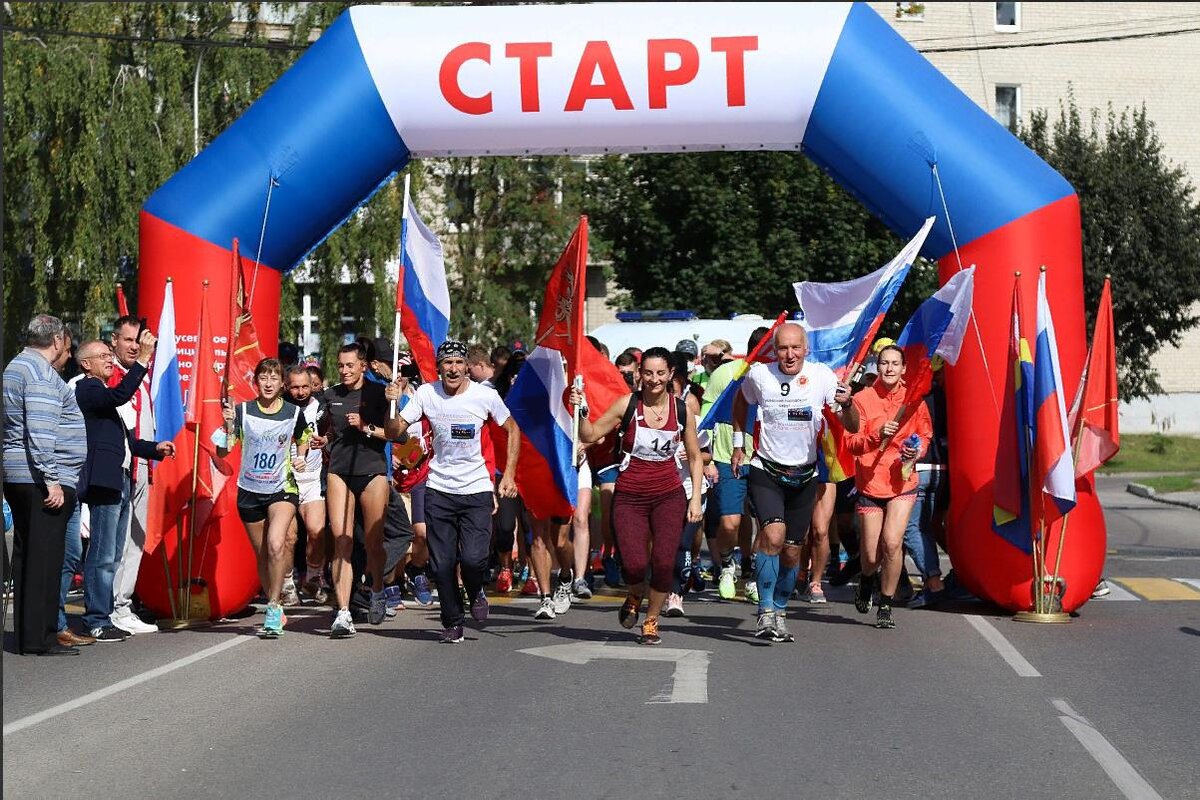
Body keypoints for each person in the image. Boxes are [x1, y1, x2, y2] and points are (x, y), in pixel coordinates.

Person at [731, 323, 858, 642]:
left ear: (806, 349)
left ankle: (780, 610)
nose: (789, 355)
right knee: (772, 536)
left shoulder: (822, 376)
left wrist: (848, 404)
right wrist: (737, 443)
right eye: (783, 348)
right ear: (775, 350)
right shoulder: (760, 375)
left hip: (804, 474)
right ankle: (765, 611)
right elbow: (740, 401)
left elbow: (852, 425)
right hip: (766, 469)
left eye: (795, 348)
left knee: (791, 552)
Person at [388, 339, 521, 643]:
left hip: (476, 489)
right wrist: (391, 404)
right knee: (442, 563)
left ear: (467, 368)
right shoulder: (427, 394)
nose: (453, 369)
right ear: (439, 367)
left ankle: (475, 590)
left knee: (473, 559)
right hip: (439, 488)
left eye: (459, 363)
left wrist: (509, 475)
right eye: (447, 363)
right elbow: (395, 432)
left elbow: (512, 428)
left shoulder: (484, 396)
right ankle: (452, 621)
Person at [573, 347, 705, 646]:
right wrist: (581, 411)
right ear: (639, 375)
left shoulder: (682, 410)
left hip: (669, 496)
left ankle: (651, 620)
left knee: (663, 563)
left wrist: (695, 498)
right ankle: (634, 593)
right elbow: (590, 434)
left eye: (660, 373)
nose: (654, 379)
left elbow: (696, 457)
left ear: (671, 374)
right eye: (648, 373)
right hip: (630, 497)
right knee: (634, 564)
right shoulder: (628, 404)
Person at [75, 336, 175, 642]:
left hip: (119, 478)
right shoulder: (88, 388)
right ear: (85, 364)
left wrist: (154, 448)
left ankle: (105, 614)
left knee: (115, 552)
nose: (109, 360)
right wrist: (143, 360)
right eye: (102, 356)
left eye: (110, 355)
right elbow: (119, 396)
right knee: (103, 553)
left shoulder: (104, 394)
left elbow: (128, 442)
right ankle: (96, 619)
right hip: (104, 481)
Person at [3, 315, 87, 655]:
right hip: (40, 479)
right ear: (56, 341)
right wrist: (51, 480)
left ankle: (29, 636)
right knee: (45, 560)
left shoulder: (15, 366)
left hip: (20, 474)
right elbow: (40, 429)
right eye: (65, 340)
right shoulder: (40, 373)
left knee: (29, 557)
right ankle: (42, 638)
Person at [215, 358, 312, 637]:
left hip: (282, 488)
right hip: (249, 490)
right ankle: (275, 599)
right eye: (263, 378)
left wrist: (301, 457)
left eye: (274, 378)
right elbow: (222, 452)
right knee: (263, 555)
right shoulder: (242, 411)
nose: (268, 384)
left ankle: (273, 607)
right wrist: (228, 426)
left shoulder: (293, 412)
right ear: (255, 382)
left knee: (275, 544)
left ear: (282, 384)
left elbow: (304, 438)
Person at [845, 344, 932, 630]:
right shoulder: (862, 399)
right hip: (870, 483)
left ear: (904, 368)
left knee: (892, 543)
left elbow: (925, 435)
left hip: (903, 482)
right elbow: (851, 443)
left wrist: (915, 451)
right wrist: (876, 435)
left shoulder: (914, 399)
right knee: (871, 555)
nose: (890, 368)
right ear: (877, 366)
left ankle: (885, 603)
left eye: (895, 363)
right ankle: (866, 579)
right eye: (884, 363)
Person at [322, 344, 404, 638]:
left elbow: (397, 435)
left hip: (372, 473)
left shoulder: (380, 393)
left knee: (373, 543)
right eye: (340, 365)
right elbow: (328, 430)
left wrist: (367, 427)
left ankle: (378, 589)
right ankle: (343, 612)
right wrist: (323, 440)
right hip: (339, 472)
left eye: (350, 365)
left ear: (362, 366)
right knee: (342, 541)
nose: (344, 371)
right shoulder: (331, 395)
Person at [703, 327, 770, 604]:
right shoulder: (725, 374)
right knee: (730, 523)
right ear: (758, 350)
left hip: (767, 459)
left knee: (768, 525)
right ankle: (727, 565)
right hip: (728, 457)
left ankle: (752, 571)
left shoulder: (782, 379)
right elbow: (706, 417)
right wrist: (706, 459)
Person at [107, 315, 160, 635]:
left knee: (134, 542)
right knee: (117, 543)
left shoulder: (144, 374)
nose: (134, 347)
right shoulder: (110, 373)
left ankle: (122, 604)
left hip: (143, 465)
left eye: (138, 342)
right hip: (120, 467)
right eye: (128, 340)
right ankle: (114, 606)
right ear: (114, 340)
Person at [904, 359, 949, 608]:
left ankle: (933, 582)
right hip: (939, 469)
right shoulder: (944, 396)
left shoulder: (914, 397)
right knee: (925, 527)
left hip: (920, 467)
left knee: (911, 528)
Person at [286, 365, 330, 604]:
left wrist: (326, 441)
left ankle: (313, 578)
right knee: (290, 537)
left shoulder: (322, 406)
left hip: (313, 478)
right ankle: (286, 584)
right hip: (286, 479)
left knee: (316, 531)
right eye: (295, 387)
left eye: (305, 386)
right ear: (286, 386)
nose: (301, 392)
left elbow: (334, 431)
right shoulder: (281, 407)